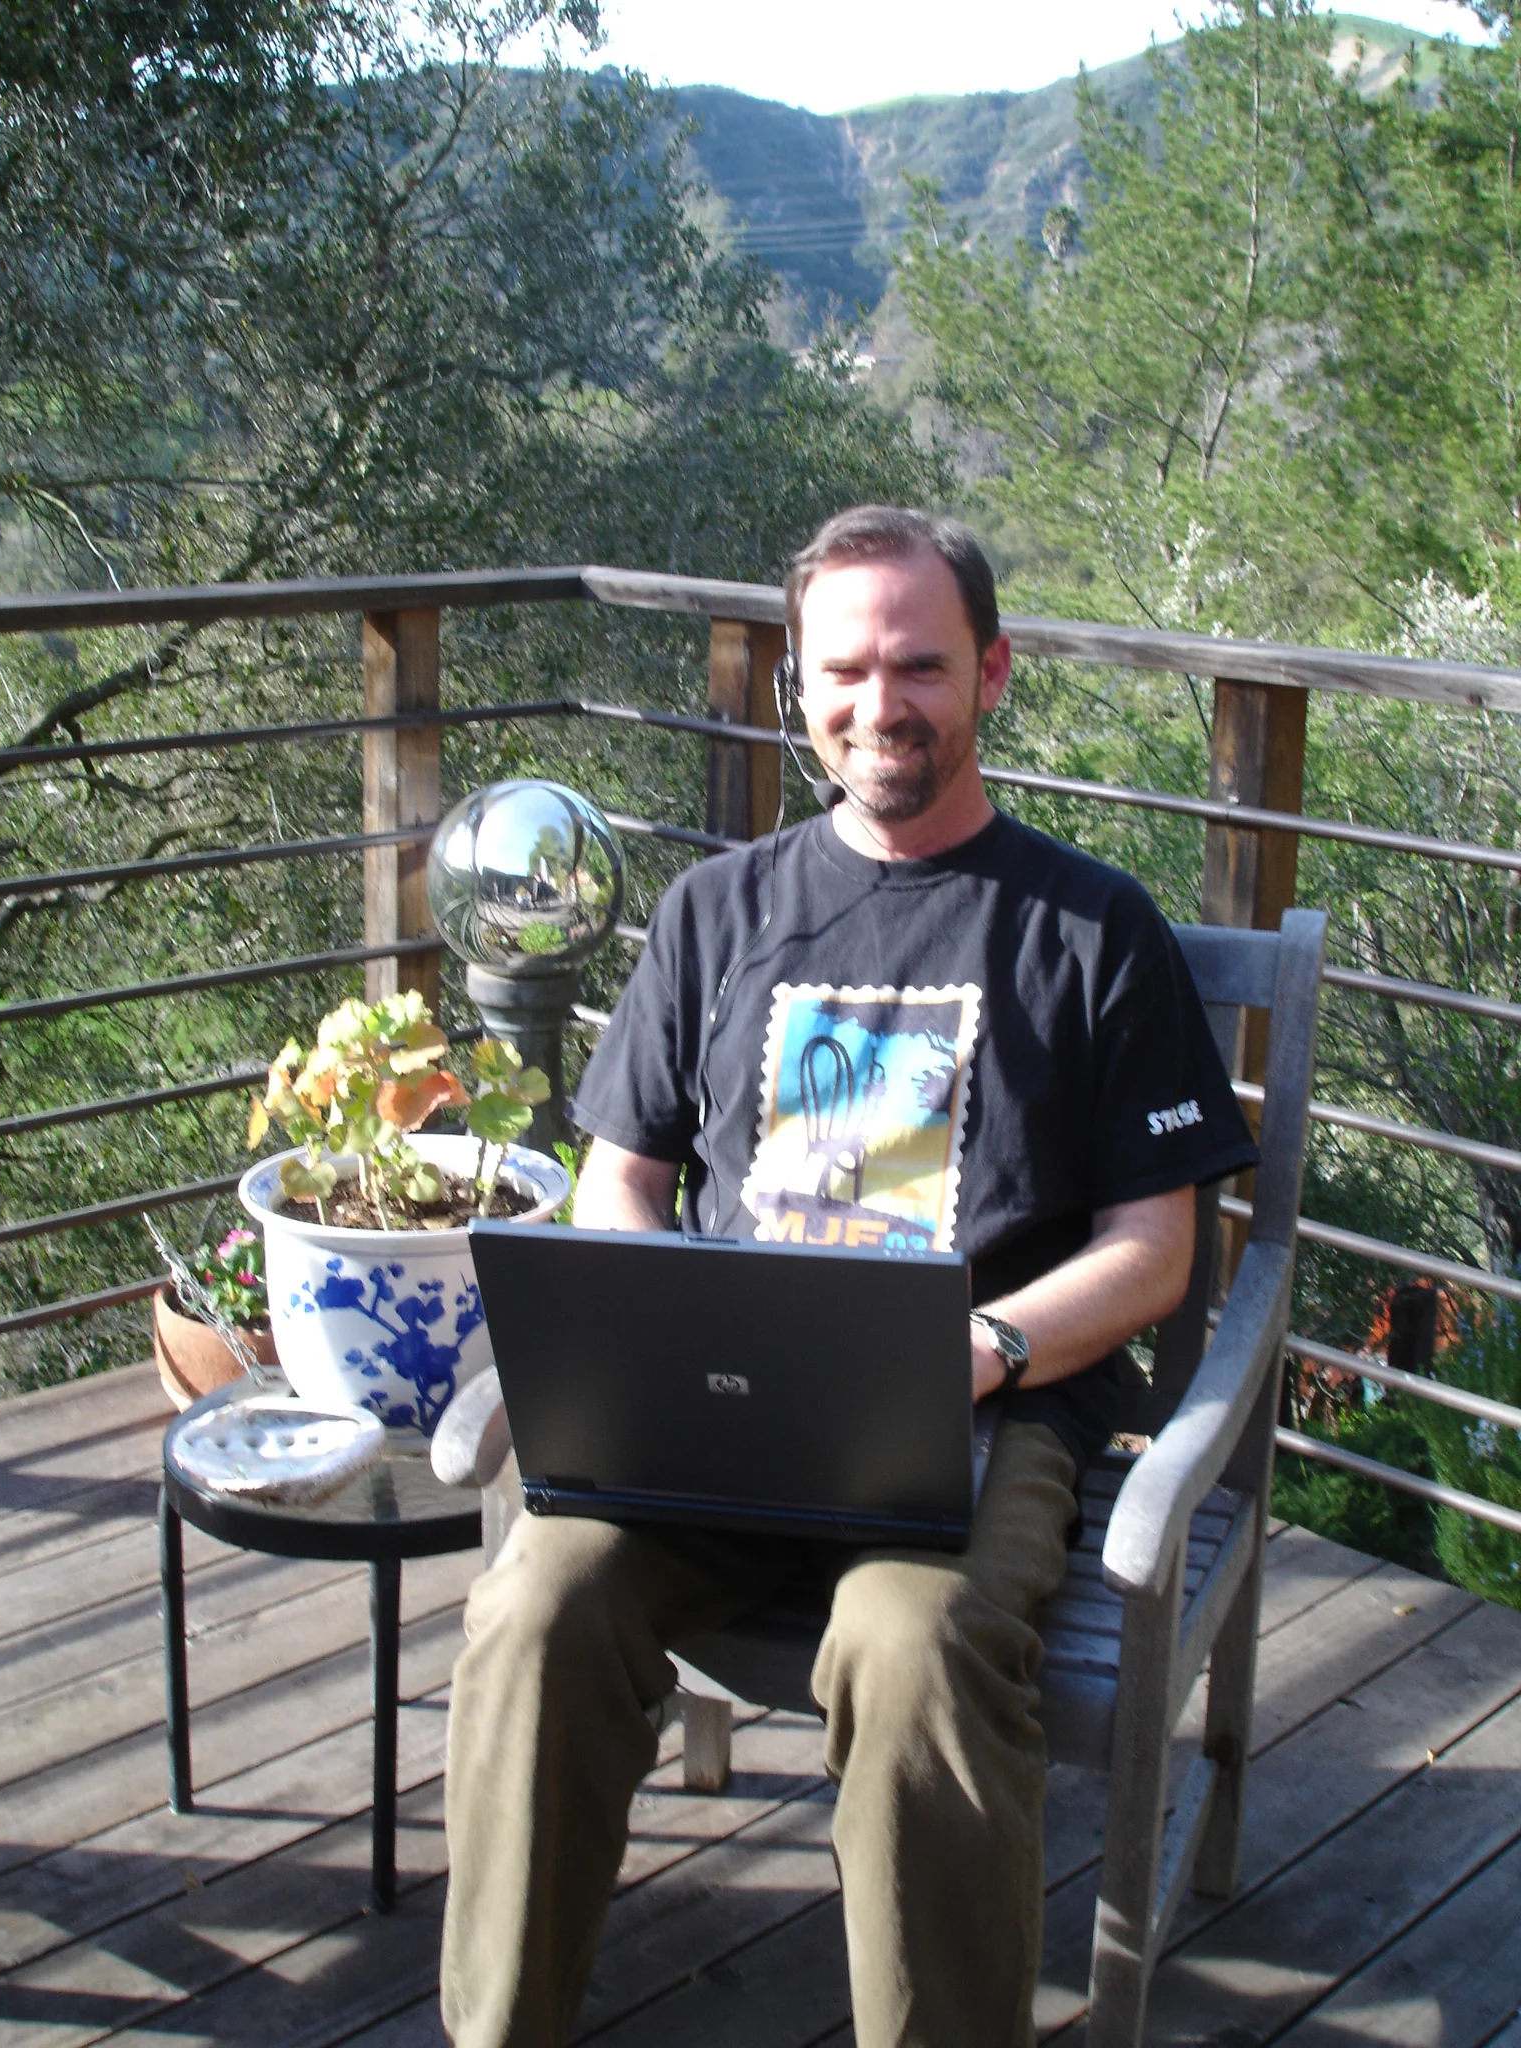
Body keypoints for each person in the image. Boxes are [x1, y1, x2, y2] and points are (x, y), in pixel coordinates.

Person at [440, 506, 1258, 2048]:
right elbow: (622, 1175)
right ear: (797, 690)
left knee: (914, 1649)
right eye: (846, 670)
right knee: (535, 1606)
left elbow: (1159, 1250)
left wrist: (990, 1347)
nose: (881, 704)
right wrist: (656, 1320)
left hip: (980, 1417)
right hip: (720, 1416)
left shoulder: (1094, 932)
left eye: (920, 666)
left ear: (994, 674)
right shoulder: (714, 913)